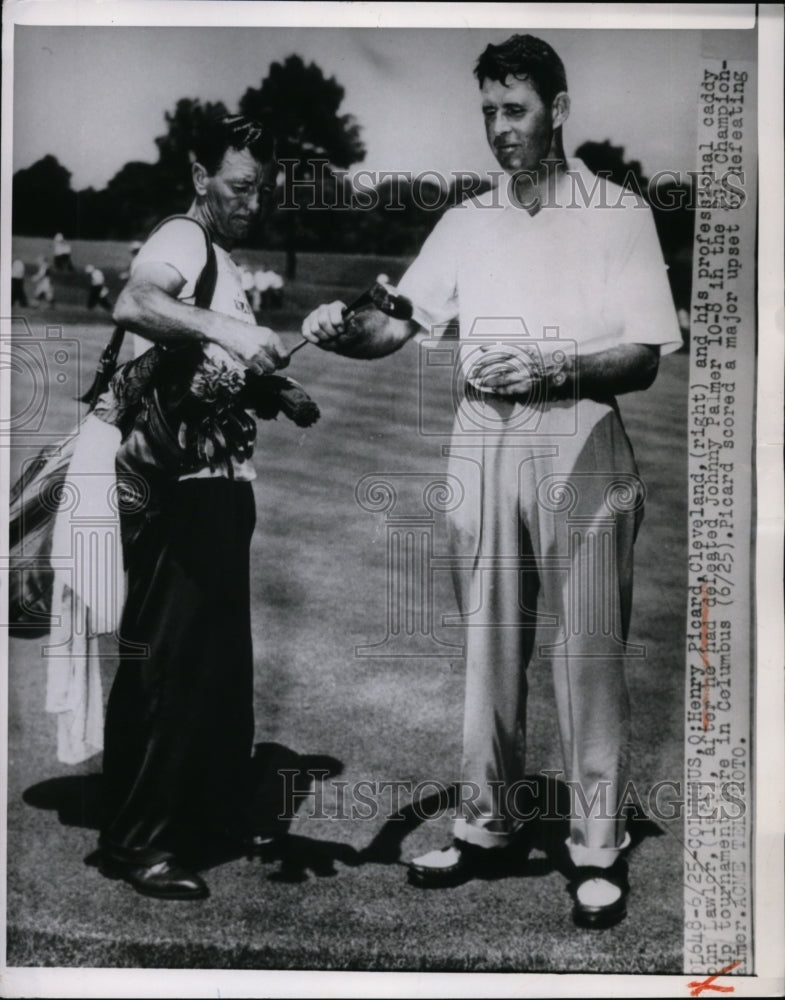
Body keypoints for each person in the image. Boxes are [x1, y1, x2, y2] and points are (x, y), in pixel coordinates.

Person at [301, 33, 682, 929]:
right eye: (486, 114)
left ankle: (595, 844)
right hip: (480, 436)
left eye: (514, 111)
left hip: (580, 430)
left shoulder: (618, 209)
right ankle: (487, 824)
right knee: (488, 644)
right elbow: (395, 327)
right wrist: (334, 329)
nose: (499, 131)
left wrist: (554, 368)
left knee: (586, 647)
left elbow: (642, 358)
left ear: (557, 109)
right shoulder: (467, 217)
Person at [95, 113, 287, 900]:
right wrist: (225, 331)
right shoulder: (181, 238)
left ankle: (202, 814)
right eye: (240, 186)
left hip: (215, 491)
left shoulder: (224, 259)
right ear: (200, 175)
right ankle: (137, 840)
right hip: (173, 491)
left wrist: (278, 387)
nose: (253, 202)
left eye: (262, 190)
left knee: (213, 666)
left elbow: (215, 370)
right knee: (168, 663)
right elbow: (136, 304)